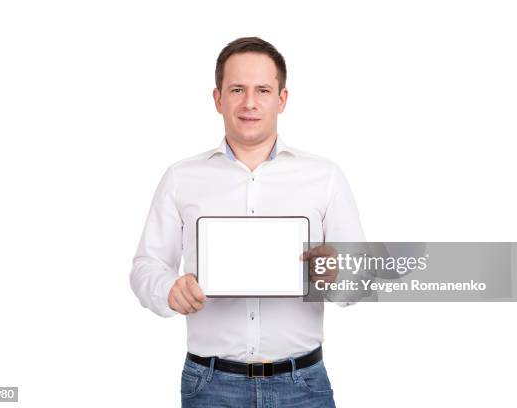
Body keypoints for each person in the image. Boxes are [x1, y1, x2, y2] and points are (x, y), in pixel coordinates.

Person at [130, 36, 366, 407]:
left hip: (302, 385)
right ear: (218, 98)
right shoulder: (181, 177)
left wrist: (336, 273)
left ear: (282, 99)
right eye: (237, 89)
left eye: (263, 90)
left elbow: (358, 281)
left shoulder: (325, 176)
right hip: (210, 385)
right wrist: (168, 289)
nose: (250, 103)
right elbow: (146, 266)